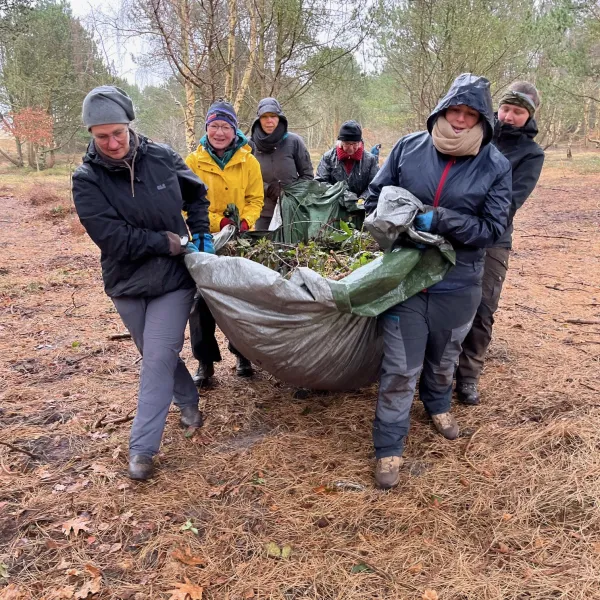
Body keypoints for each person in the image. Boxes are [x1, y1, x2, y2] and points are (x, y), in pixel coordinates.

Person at [364, 73, 512, 489]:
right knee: (399, 369)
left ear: (482, 118)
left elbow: (493, 228)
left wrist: (441, 219)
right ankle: (389, 446)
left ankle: (439, 405)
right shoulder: (409, 148)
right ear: (442, 109)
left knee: (444, 358)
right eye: (454, 110)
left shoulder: (495, 164)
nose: (460, 121)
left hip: (459, 281)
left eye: (470, 114)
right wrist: (391, 220)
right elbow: (374, 199)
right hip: (405, 279)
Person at [72, 86, 212, 481]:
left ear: (130, 126)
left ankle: (142, 448)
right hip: (126, 281)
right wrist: (166, 241)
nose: (112, 143)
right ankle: (189, 402)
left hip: (173, 279)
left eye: (118, 133)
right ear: (91, 136)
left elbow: (197, 195)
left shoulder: (162, 157)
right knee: (158, 354)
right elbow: (112, 238)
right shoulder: (87, 179)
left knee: (155, 359)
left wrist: (199, 234)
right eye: (102, 137)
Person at [455, 82, 545, 405]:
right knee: (444, 300)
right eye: (505, 109)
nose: (508, 116)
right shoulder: (479, 133)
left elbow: (510, 201)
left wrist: (468, 219)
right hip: (454, 228)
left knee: (483, 306)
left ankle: (467, 375)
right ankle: (435, 367)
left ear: (529, 116)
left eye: (517, 112)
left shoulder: (531, 155)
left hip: (494, 237)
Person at [185, 100, 264, 386]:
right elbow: (185, 202)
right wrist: (218, 222)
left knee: (240, 297)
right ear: (206, 128)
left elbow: (256, 199)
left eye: (225, 126)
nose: (219, 132)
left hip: (240, 240)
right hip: (204, 238)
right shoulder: (193, 162)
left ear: (234, 129)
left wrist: (245, 221)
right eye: (214, 126)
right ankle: (205, 362)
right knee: (202, 299)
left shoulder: (248, 161)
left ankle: (242, 354)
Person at [251, 97, 314, 230]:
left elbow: (308, 176)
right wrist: (267, 189)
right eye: (264, 117)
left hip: (292, 211)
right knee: (262, 248)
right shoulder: (250, 145)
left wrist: (290, 192)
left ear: (280, 118)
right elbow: (244, 179)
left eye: (273, 116)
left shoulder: (294, 141)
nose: (269, 121)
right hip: (262, 213)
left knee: (292, 249)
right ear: (258, 119)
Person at [316, 120, 379, 198]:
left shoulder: (370, 160)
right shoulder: (328, 158)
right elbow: (320, 183)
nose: (351, 148)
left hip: (361, 206)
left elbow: (374, 186)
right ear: (341, 142)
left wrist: (362, 199)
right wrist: (344, 197)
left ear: (360, 142)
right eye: (347, 144)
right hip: (335, 204)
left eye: (354, 144)